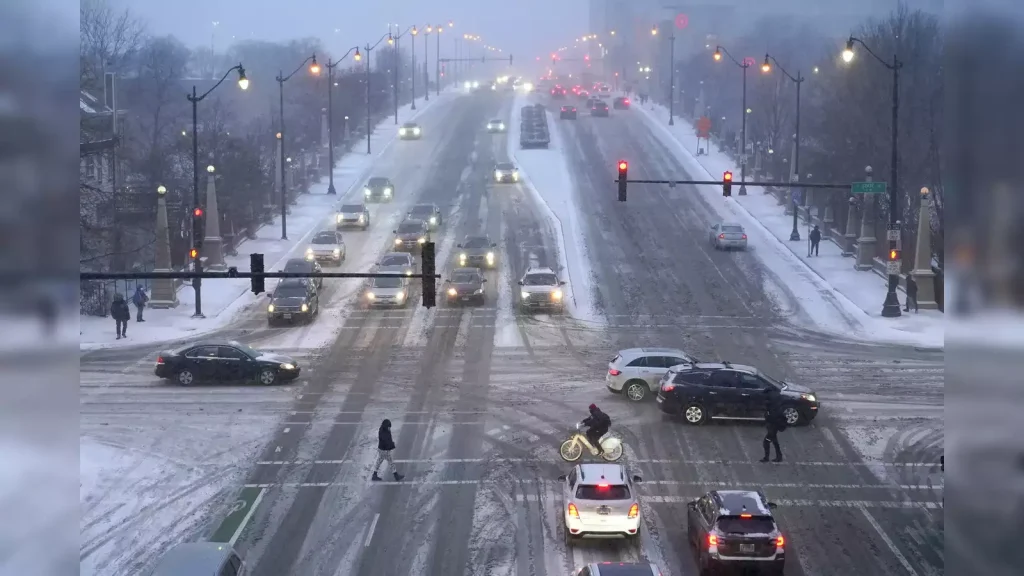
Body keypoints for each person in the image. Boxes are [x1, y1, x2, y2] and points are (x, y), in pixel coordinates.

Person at [760, 388, 786, 463]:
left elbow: (771, 417)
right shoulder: (777, 403)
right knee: (774, 440)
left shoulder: (772, 408)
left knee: (767, 441)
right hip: (776, 424)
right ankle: (778, 456)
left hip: (773, 425)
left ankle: (767, 458)